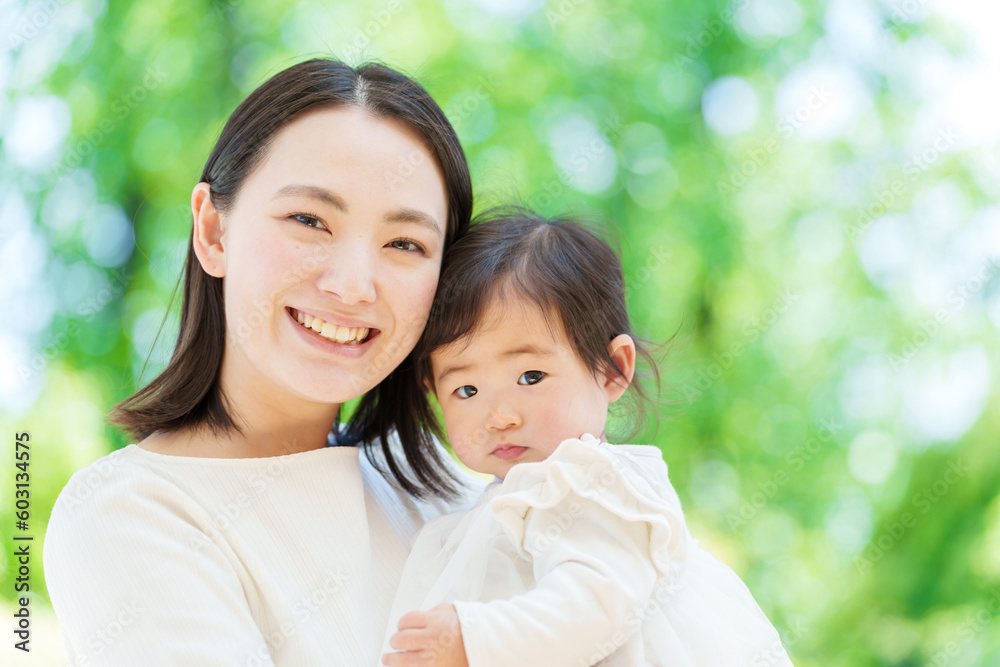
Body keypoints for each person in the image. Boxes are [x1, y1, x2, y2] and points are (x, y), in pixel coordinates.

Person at [43, 58, 484, 666]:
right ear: (214, 233)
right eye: (309, 220)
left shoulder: (464, 499)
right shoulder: (128, 515)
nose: (354, 285)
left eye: (405, 244)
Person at [380, 208, 794, 666]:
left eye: (531, 376)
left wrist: (477, 640)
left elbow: (595, 602)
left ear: (611, 368)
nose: (498, 416)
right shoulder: (487, 512)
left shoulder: (591, 483)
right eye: (467, 390)